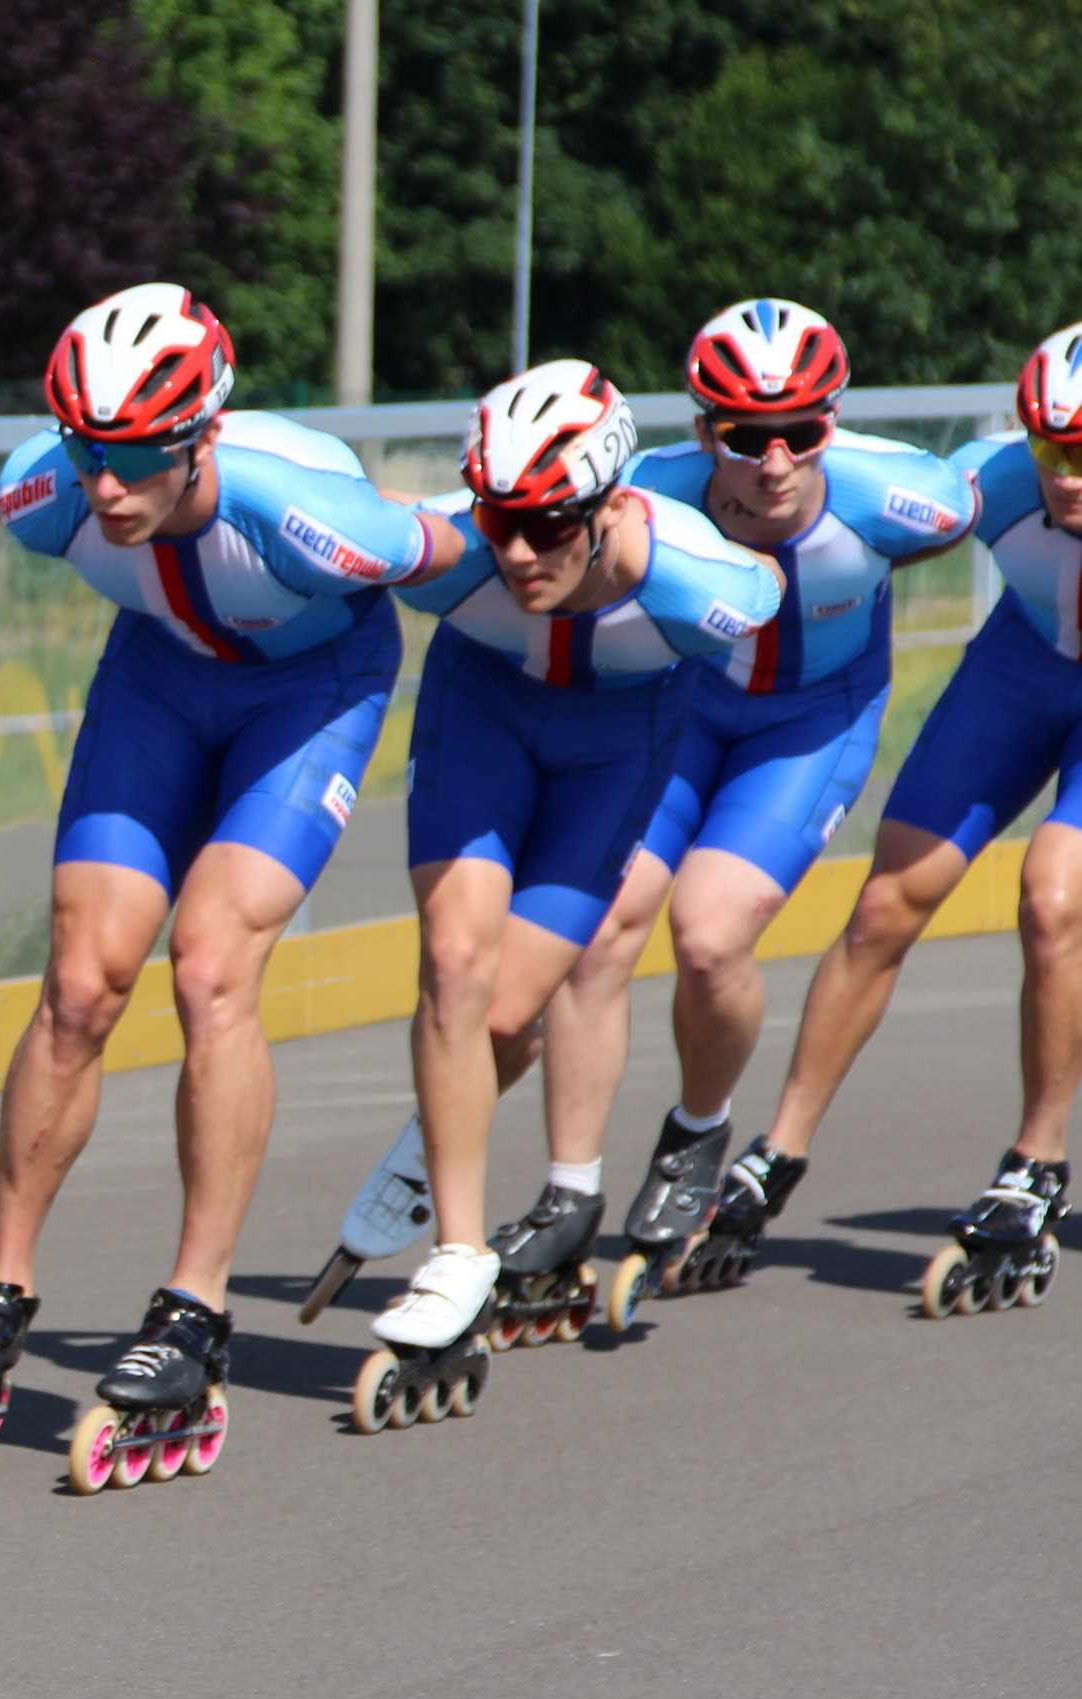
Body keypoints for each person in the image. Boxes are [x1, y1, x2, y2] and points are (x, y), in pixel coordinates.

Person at [0, 281, 461, 1477]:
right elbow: (74, 488)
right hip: (158, 679)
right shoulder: (40, 498)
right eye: (84, 451)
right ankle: (0, 1287)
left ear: (201, 435)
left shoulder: (310, 517)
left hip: (305, 696)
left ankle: (194, 1305)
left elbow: (450, 547)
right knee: (78, 983)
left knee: (208, 968)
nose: (104, 486)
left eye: (133, 457)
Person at [519, 301, 970, 1315]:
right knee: (596, 932)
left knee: (708, 936)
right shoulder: (645, 495)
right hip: (680, 714)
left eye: (800, 433)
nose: (773, 462)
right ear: (700, 431)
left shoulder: (906, 500)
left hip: (807, 728)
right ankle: (568, 1191)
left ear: (831, 423)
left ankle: (697, 1130)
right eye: (743, 436)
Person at [365, 361, 782, 1378]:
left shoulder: (695, 581)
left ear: (609, 508)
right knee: (454, 964)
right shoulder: (451, 553)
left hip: (616, 744)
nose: (516, 551)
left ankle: (443, 1122)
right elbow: (347, 525)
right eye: (498, 520)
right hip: (484, 711)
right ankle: (457, 1255)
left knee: (508, 1016)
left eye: (549, 525)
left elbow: (766, 590)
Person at [716, 323, 1082, 1313]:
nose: (1064, 477)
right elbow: (856, 514)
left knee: (1052, 898)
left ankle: (1035, 1163)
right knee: (885, 905)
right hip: (1020, 670)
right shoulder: (990, 482)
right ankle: (778, 1150)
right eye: (1049, 448)